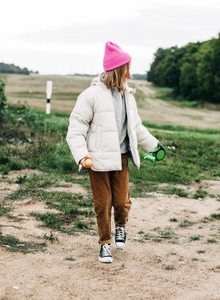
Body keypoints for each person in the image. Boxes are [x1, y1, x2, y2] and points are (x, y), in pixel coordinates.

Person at [66, 41, 162, 263]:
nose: (130, 72)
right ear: (119, 70)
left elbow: (136, 127)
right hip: (96, 160)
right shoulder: (89, 96)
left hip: (121, 158)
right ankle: (105, 244)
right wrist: (82, 156)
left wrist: (155, 146)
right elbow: (75, 130)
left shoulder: (128, 96)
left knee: (120, 202)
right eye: (127, 67)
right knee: (102, 204)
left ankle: (121, 226)